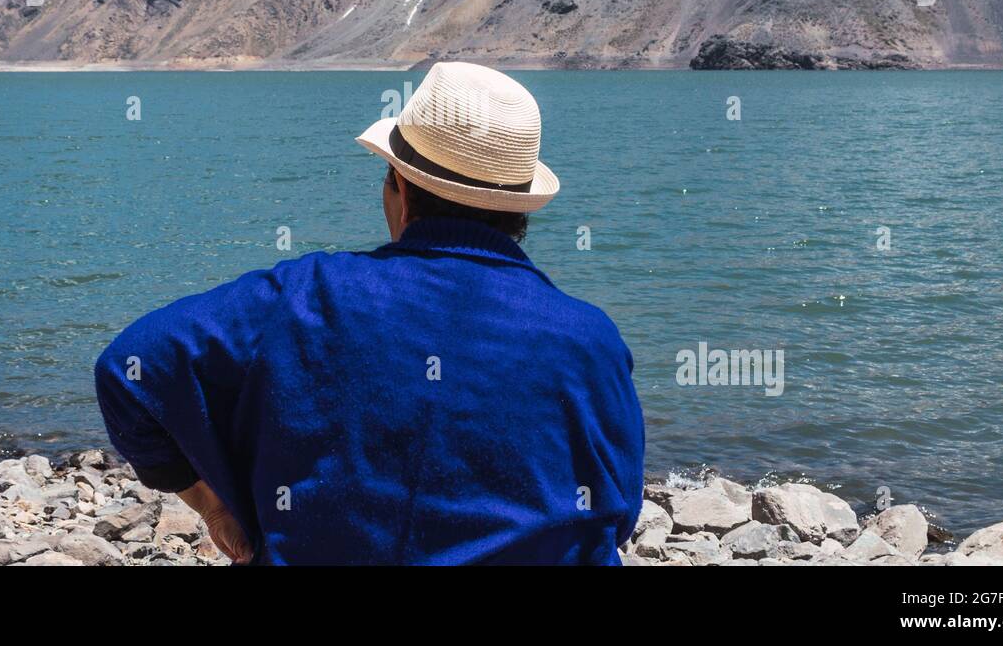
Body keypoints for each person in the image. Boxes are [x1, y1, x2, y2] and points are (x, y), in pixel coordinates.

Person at [94, 61, 644, 564]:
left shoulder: (301, 296)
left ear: (400, 187)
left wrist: (214, 504)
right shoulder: (590, 340)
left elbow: (130, 367)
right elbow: (617, 514)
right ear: (519, 207)